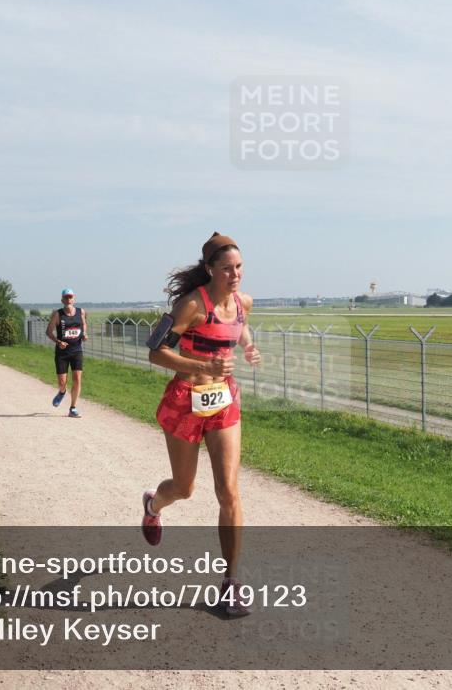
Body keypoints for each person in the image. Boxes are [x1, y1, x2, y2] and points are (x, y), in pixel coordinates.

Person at [141, 232, 261, 617]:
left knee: (229, 491)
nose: (235, 274)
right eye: (227, 268)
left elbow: (240, 326)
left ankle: (231, 584)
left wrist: (248, 346)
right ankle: (153, 505)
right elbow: (155, 351)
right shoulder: (191, 305)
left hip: (223, 400)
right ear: (210, 269)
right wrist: (202, 365)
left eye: (239, 267)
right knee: (184, 487)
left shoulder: (243, 302)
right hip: (186, 401)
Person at [45, 289, 88, 417]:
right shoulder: (57, 314)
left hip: (77, 350)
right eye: (66, 297)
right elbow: (48, 332)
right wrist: (58, 342)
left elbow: (84, 324)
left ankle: (73, 408)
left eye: (70, 297)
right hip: (62, 353)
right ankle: (62, 391)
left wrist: (84, 334)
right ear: (62, 300)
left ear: (74, 299)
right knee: (62, 382)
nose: (68, 299)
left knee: (77, 379)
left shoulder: (81, 312)